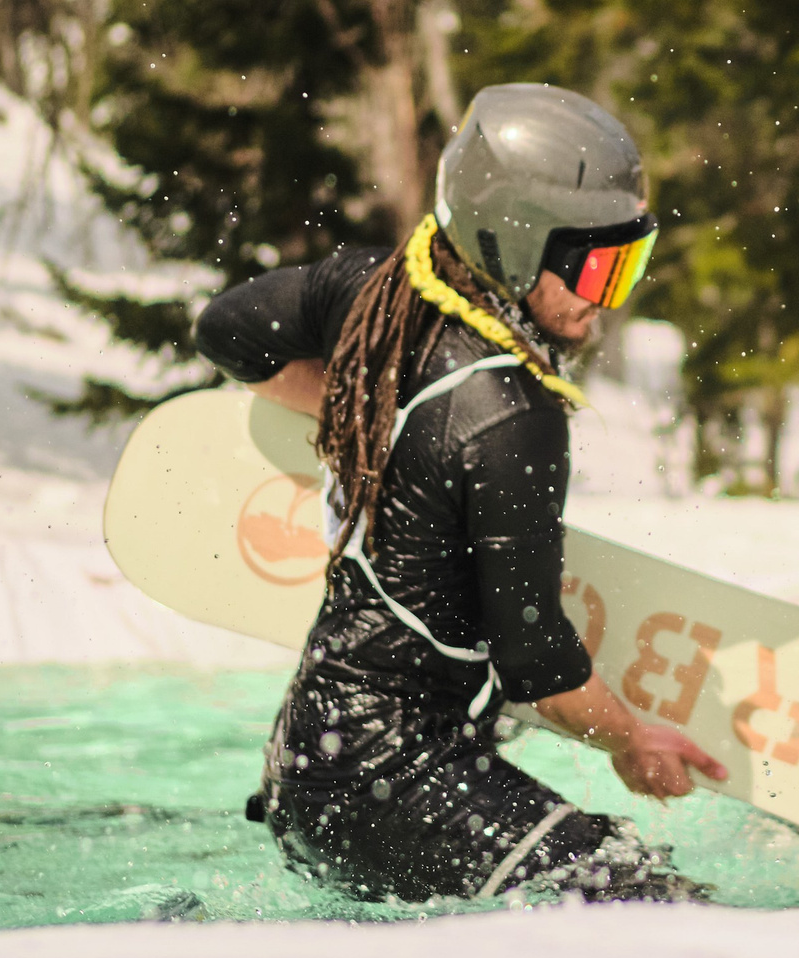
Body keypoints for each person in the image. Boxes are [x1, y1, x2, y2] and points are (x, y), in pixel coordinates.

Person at [194, 84, 726, 904]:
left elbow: (226, 327)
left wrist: (366, 404)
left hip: (312, 759)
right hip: (392, 779)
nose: (606, 300)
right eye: (597, 267)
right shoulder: (512, 415)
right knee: (656, 906)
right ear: (517, 245)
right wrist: (630, 741)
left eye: (630, 264)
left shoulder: (379, 290)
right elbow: (539, 666)